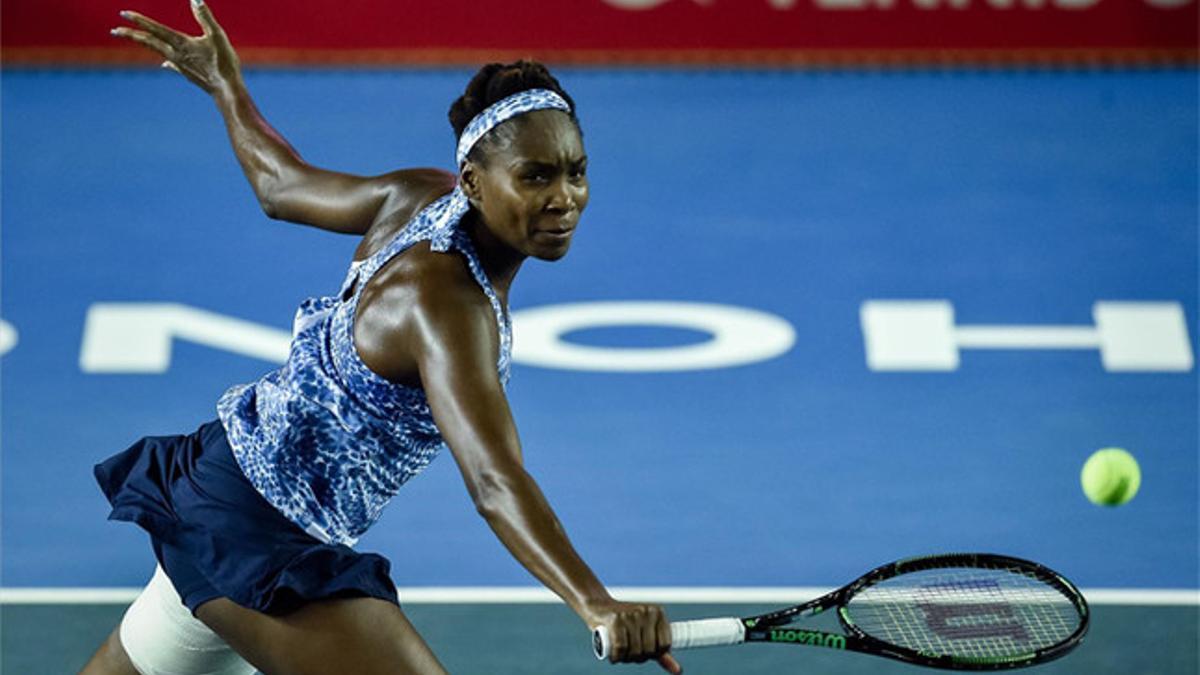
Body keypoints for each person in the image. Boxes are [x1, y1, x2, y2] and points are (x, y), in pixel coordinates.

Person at [83, 2, 682, 674]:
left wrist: (228, 86)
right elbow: (492, 478)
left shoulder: (419, 197)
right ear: (476, 183)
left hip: (222, 481)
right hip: (260, 534)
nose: (564, 196)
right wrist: (593, 600)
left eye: (575, 170)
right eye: (535, 176)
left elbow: (279, 186)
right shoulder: (447, 306)